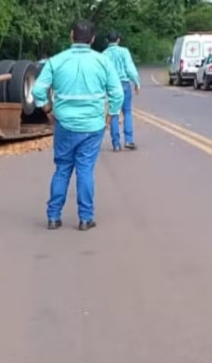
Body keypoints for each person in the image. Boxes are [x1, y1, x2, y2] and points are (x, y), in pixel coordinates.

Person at [32, 19, 123, 231]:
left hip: (64, 124)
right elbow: (116, 93)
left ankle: (53, 217)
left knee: (62, 169)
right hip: (92, 126)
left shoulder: (56, 61)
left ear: (71, 35)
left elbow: (38, 90)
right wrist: (112, 114)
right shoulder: (103, 62)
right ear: (92, 39)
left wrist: (47, 110)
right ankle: (85, 218)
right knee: (85, 170)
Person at [103, 30, 140, 151]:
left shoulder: (104, 55)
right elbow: (130, 69)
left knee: (114, 113)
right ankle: (129, 140)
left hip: (111, 86)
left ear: (107, 40)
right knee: (127, 112)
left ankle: (116, 143)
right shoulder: (124, 52)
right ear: (118, 39)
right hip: (124, 84)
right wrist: (136, 82)